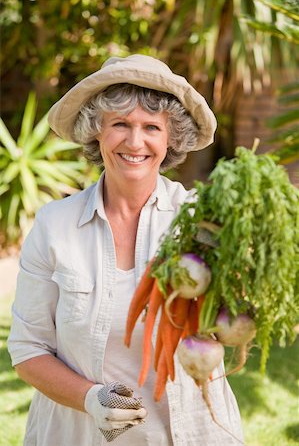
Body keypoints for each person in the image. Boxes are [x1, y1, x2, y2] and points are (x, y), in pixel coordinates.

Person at [8, 54, 243, 446]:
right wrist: (90, 398)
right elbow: (27, 348)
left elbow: (235, 322)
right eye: (120, 124)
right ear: (96, 132)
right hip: (79, 435)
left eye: (152, 127)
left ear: (171, 138)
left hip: (192, 434)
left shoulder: (204, 222)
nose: (135, 142)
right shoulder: (55, 226)